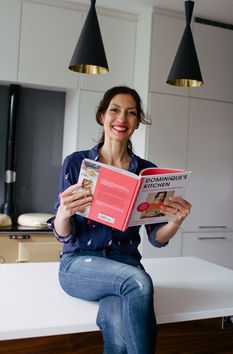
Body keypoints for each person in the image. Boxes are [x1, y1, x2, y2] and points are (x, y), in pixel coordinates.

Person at [49, 86, 191, 354]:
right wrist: (64, 213)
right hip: (80, 264)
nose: (122, 119)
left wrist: (174, 222)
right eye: (115, 110)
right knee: (138, 282)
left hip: (124, 263)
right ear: (102, 115)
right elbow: (63, 234)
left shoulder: (147, 171)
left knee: (118, 333)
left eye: (131, 113)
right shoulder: (77, 163)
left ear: (138, 122)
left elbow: (155, 237)